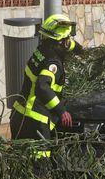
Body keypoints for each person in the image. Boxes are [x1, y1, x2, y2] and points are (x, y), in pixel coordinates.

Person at [10, 13, 83, 157]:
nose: (69, 41)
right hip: (35, 122)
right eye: (67, 38)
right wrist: (61, 111)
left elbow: (68, 44)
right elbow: (42, 86)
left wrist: (82, 50)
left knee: (20, 161)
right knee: (39, 166)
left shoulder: (41, 51)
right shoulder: (53, 62)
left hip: (19, 115)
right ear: (62, 41)